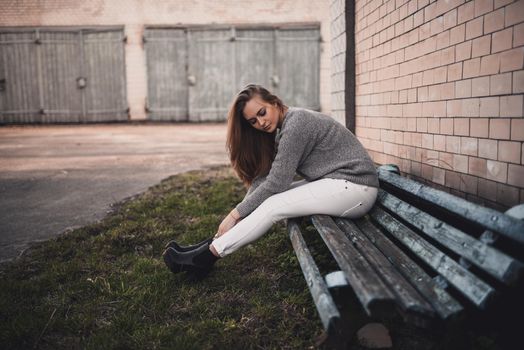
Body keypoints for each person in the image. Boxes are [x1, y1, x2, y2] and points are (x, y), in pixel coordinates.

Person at [162, 84, 379, 278]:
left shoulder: (297, 124)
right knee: (270, 200)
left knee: (274, 205)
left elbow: (277, 183)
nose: (261, 122)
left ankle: (203, 259)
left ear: (274, 102)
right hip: (340, 183)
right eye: (253, 121)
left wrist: (234, 214)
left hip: (357, 188)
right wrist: (239, 214)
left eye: (262, 112)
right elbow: (263, 179)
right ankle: (209, 245)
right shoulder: (283, 128)